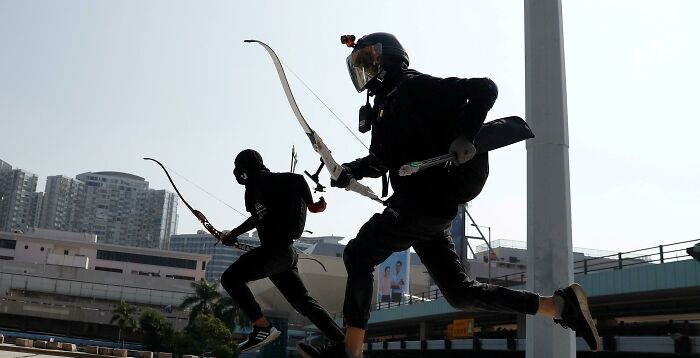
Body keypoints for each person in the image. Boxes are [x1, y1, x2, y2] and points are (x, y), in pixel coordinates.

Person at [302, 32, 601, 358]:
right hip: (425, 208)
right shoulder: (384, 109)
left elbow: (485, 88)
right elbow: (382, 162)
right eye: (357, 66)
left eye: (367, 62)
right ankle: (560, 307)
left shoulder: (415, 86)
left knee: (359, 253)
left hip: (424, 202)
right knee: (460, 293)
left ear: (387, 58)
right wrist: (349, 171)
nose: (363, 73)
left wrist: (464, 136)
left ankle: (351, 351)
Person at [217, 149, 344, 354]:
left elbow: (298, 179)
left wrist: (311, 206)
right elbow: (257, 219)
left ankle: (262, 327)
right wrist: (234, 234)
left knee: (230, 278)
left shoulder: (263, 182)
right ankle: (341, 344)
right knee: (303, 303)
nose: (237, 173)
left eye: (239, 167)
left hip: (276, 252)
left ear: (246, 168)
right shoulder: (255, 190)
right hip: (284, 255)